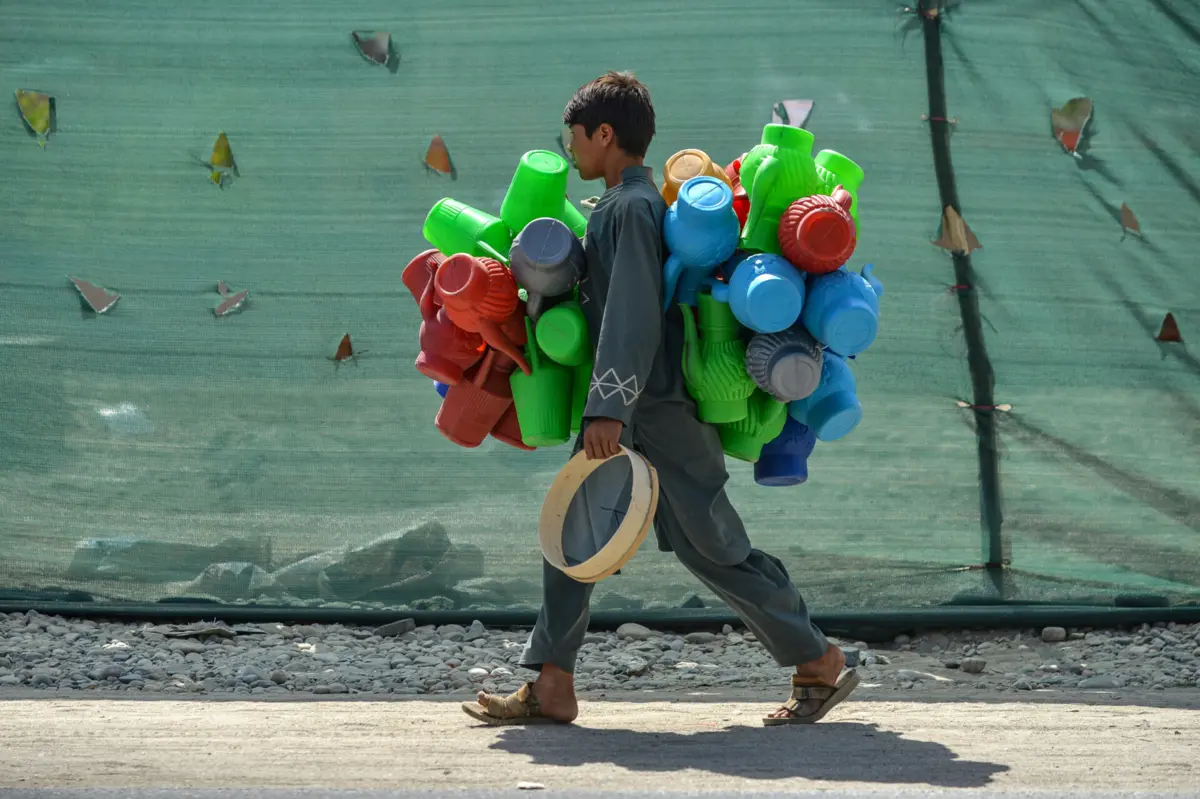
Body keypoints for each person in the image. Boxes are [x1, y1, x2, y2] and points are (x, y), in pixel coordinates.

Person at [461, 71, 857, 727]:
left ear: (605, 134)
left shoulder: (630, 209)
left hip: (655, 407)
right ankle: (552, 683)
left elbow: (634, 311)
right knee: (577, 530)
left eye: (574, 136)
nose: (569, 149)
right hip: (639, 405)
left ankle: (817, 657)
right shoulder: (624, 206)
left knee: (712, 544)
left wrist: (609, 407)